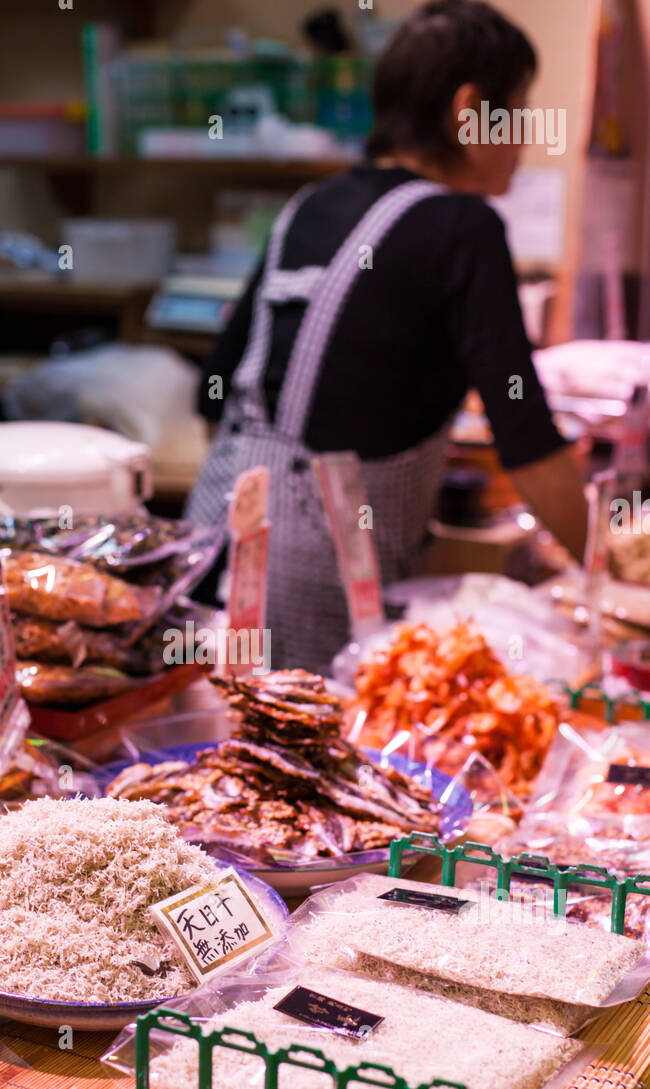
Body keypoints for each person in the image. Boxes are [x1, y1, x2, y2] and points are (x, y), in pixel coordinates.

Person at [186, 0, 588, 673]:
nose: (524, 138)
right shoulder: (466, 228)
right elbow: (528, 444)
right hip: (319, 599)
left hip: (202, 558)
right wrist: (614, 578)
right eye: (518, 111)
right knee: (307, 727)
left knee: (208, 728)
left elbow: (212, 393)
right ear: (469, 112)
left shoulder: (311, 204)